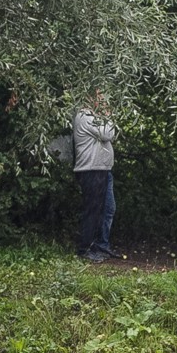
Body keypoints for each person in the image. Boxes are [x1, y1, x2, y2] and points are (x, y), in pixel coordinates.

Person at [73, 97, 117, 262]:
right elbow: (108, 133)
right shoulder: (85, 116)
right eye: (100, 98)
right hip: (91, 170)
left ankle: (101, 245)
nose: (104, 101)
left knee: (108, 209)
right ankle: (85, 249)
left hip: (103, 170)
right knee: (93, 210)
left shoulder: (94, 117)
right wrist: (108, 115)